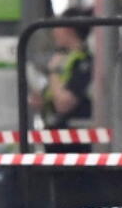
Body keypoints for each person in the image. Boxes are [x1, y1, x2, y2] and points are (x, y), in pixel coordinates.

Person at [28, 17, 93, 153]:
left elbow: (63, 103)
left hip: (74, 143)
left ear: (68, 29)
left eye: (57, 27)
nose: (54, 32)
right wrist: (42, 100)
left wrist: (54, 71)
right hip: (54, 138)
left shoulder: (83, 62)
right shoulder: (63, 59)